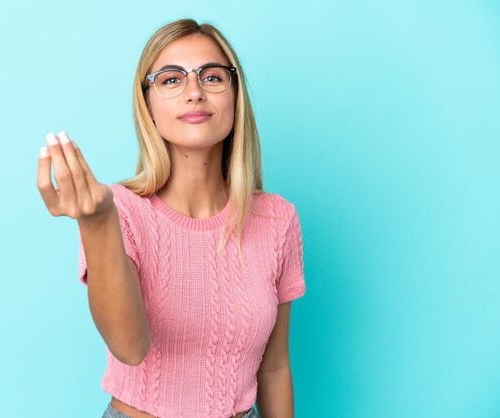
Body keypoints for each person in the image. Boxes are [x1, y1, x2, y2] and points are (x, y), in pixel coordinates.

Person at [37, 18, 306, 418]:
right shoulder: (119, 210)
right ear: (147, 103)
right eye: (171, 79)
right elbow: (129, 347)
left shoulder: (277, 219)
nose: (194, 92)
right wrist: (97, 223)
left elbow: (274, 366)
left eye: (212, 77)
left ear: (235, 95)